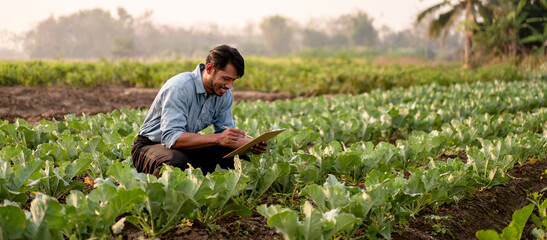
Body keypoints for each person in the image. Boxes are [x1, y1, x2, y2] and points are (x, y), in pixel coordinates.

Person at [131, 45, 267, 177]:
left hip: (185, 147)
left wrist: (251, 145)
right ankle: (159, 192)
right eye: (226, 79)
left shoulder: (224, 95)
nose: (229, 86)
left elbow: (227, 137)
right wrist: (218, 138)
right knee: (175, 162)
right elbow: (171, 138)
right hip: (149, 146)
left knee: (238, 158)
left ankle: (201, 186)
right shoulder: (179, 87)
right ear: (209, 68)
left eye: (233, 80)